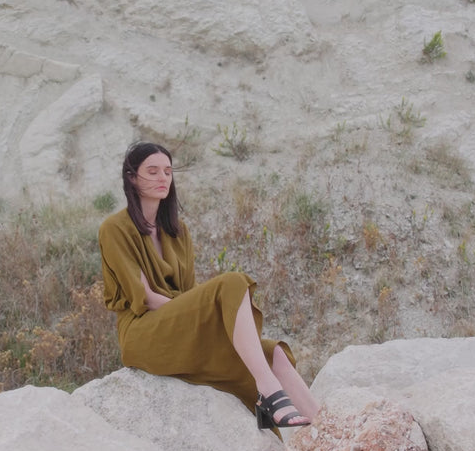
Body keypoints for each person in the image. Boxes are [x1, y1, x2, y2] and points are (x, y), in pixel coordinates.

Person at [98, 141, 320, 428]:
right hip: (142, 333)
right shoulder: (114, 228)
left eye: (167, 172)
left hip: (176, 326)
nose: (162, 178)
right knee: (233, 282)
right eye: (152, 172)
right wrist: (201, 317)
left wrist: (198, 317)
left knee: (273, 352)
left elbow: (189, 293)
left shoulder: (178, 232)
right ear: (132, 177)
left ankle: (326, 426)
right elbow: (147, 298)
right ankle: (269, 390)